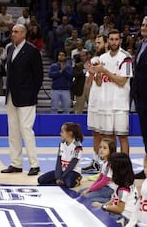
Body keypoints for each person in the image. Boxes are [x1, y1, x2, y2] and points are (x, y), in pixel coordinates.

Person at [0, 24, 43, 176]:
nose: (13, 34)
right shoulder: (10, 49)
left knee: (26, 130)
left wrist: (32, 95)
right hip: (11, 95)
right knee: (13, 131)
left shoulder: (32, 51)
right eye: (12, 32)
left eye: (16, 32)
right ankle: (16, 163)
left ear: (24, 34)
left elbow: (39, 77)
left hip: (26, 97)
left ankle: (34, 164)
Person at [92, 30, 133, 155]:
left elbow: (121, 81)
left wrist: (104, 70)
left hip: (120, 104)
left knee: (122, 137)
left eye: (116, 39)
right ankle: (111, 167)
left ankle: (125, 167)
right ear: (108, 41)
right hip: (105, 104)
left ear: (120, 41)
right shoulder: (103, 58)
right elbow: (99, 83)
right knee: (108, 138)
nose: (114, 42)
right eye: (111, 39)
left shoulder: (126, 57)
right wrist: (97, 73)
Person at [82, 34, 108, 174]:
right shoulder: (93, 60)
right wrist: (91, 73)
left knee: (107, 134)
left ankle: (107, 163)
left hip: (107, 102)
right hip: (94, 101)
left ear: (106, 43)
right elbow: (87, 85)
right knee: (95, 133)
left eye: (99, 43)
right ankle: (96, 161)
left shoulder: (109, 60)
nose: (96, 45)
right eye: (96, 43)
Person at [94, 152, 138, 225]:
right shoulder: (125, 182)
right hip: (125, 212)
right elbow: (114, 199)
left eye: (112, 166)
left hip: (125, 216)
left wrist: (102, 206)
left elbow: (119, 209)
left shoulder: (123, 189)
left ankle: (120, 222)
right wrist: (102, 206)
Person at [38, 122, 83, 188]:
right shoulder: (62, 143)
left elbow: (72, 164)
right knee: (41, 180)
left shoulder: (77, 146)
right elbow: (58, 161)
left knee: (69, 184)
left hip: (73, 171)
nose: (60, 134)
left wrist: (62, 176)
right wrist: (58, 176)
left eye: (62, 132)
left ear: (69, 133)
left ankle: (77, 179)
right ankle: (60, 181)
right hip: (62, 170)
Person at [132, 16, 147, 179]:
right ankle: (146, 168)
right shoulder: (141, 44)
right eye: (142, 24)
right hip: (141, 98)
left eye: (146, 25)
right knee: (146, 135)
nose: (143, 27)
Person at [80, 138, 117, 203]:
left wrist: (89, 190)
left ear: (111, 150)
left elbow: (103, 182)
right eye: (100, 147)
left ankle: (109, 200)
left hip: (110, 189)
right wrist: (90, 188)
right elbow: (99, 178)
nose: (101, 150)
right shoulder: (105, 162)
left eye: (104, 148)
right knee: (80, 192)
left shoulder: (110, 164)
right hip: (104, 187)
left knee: (86, 198)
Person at [125, 156, 147, 227]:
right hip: (140, 225)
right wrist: (131, 225)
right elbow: (138, 205)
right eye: (145, 167)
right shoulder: (145, 183)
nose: (146, 170)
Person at [48, 49, 73, 114]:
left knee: (66, 108)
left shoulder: (68, 66)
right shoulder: (53, 66)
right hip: (55, 89)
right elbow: (50, 75)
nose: (61, 56)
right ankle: (53, 121)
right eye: (60, 55)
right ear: (58, 56)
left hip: (65, 90)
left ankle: (66, 123)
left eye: (63, 55)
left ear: (65, 57)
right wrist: (60, 71)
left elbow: (70, 76)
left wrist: (64, 70)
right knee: (54, 108)